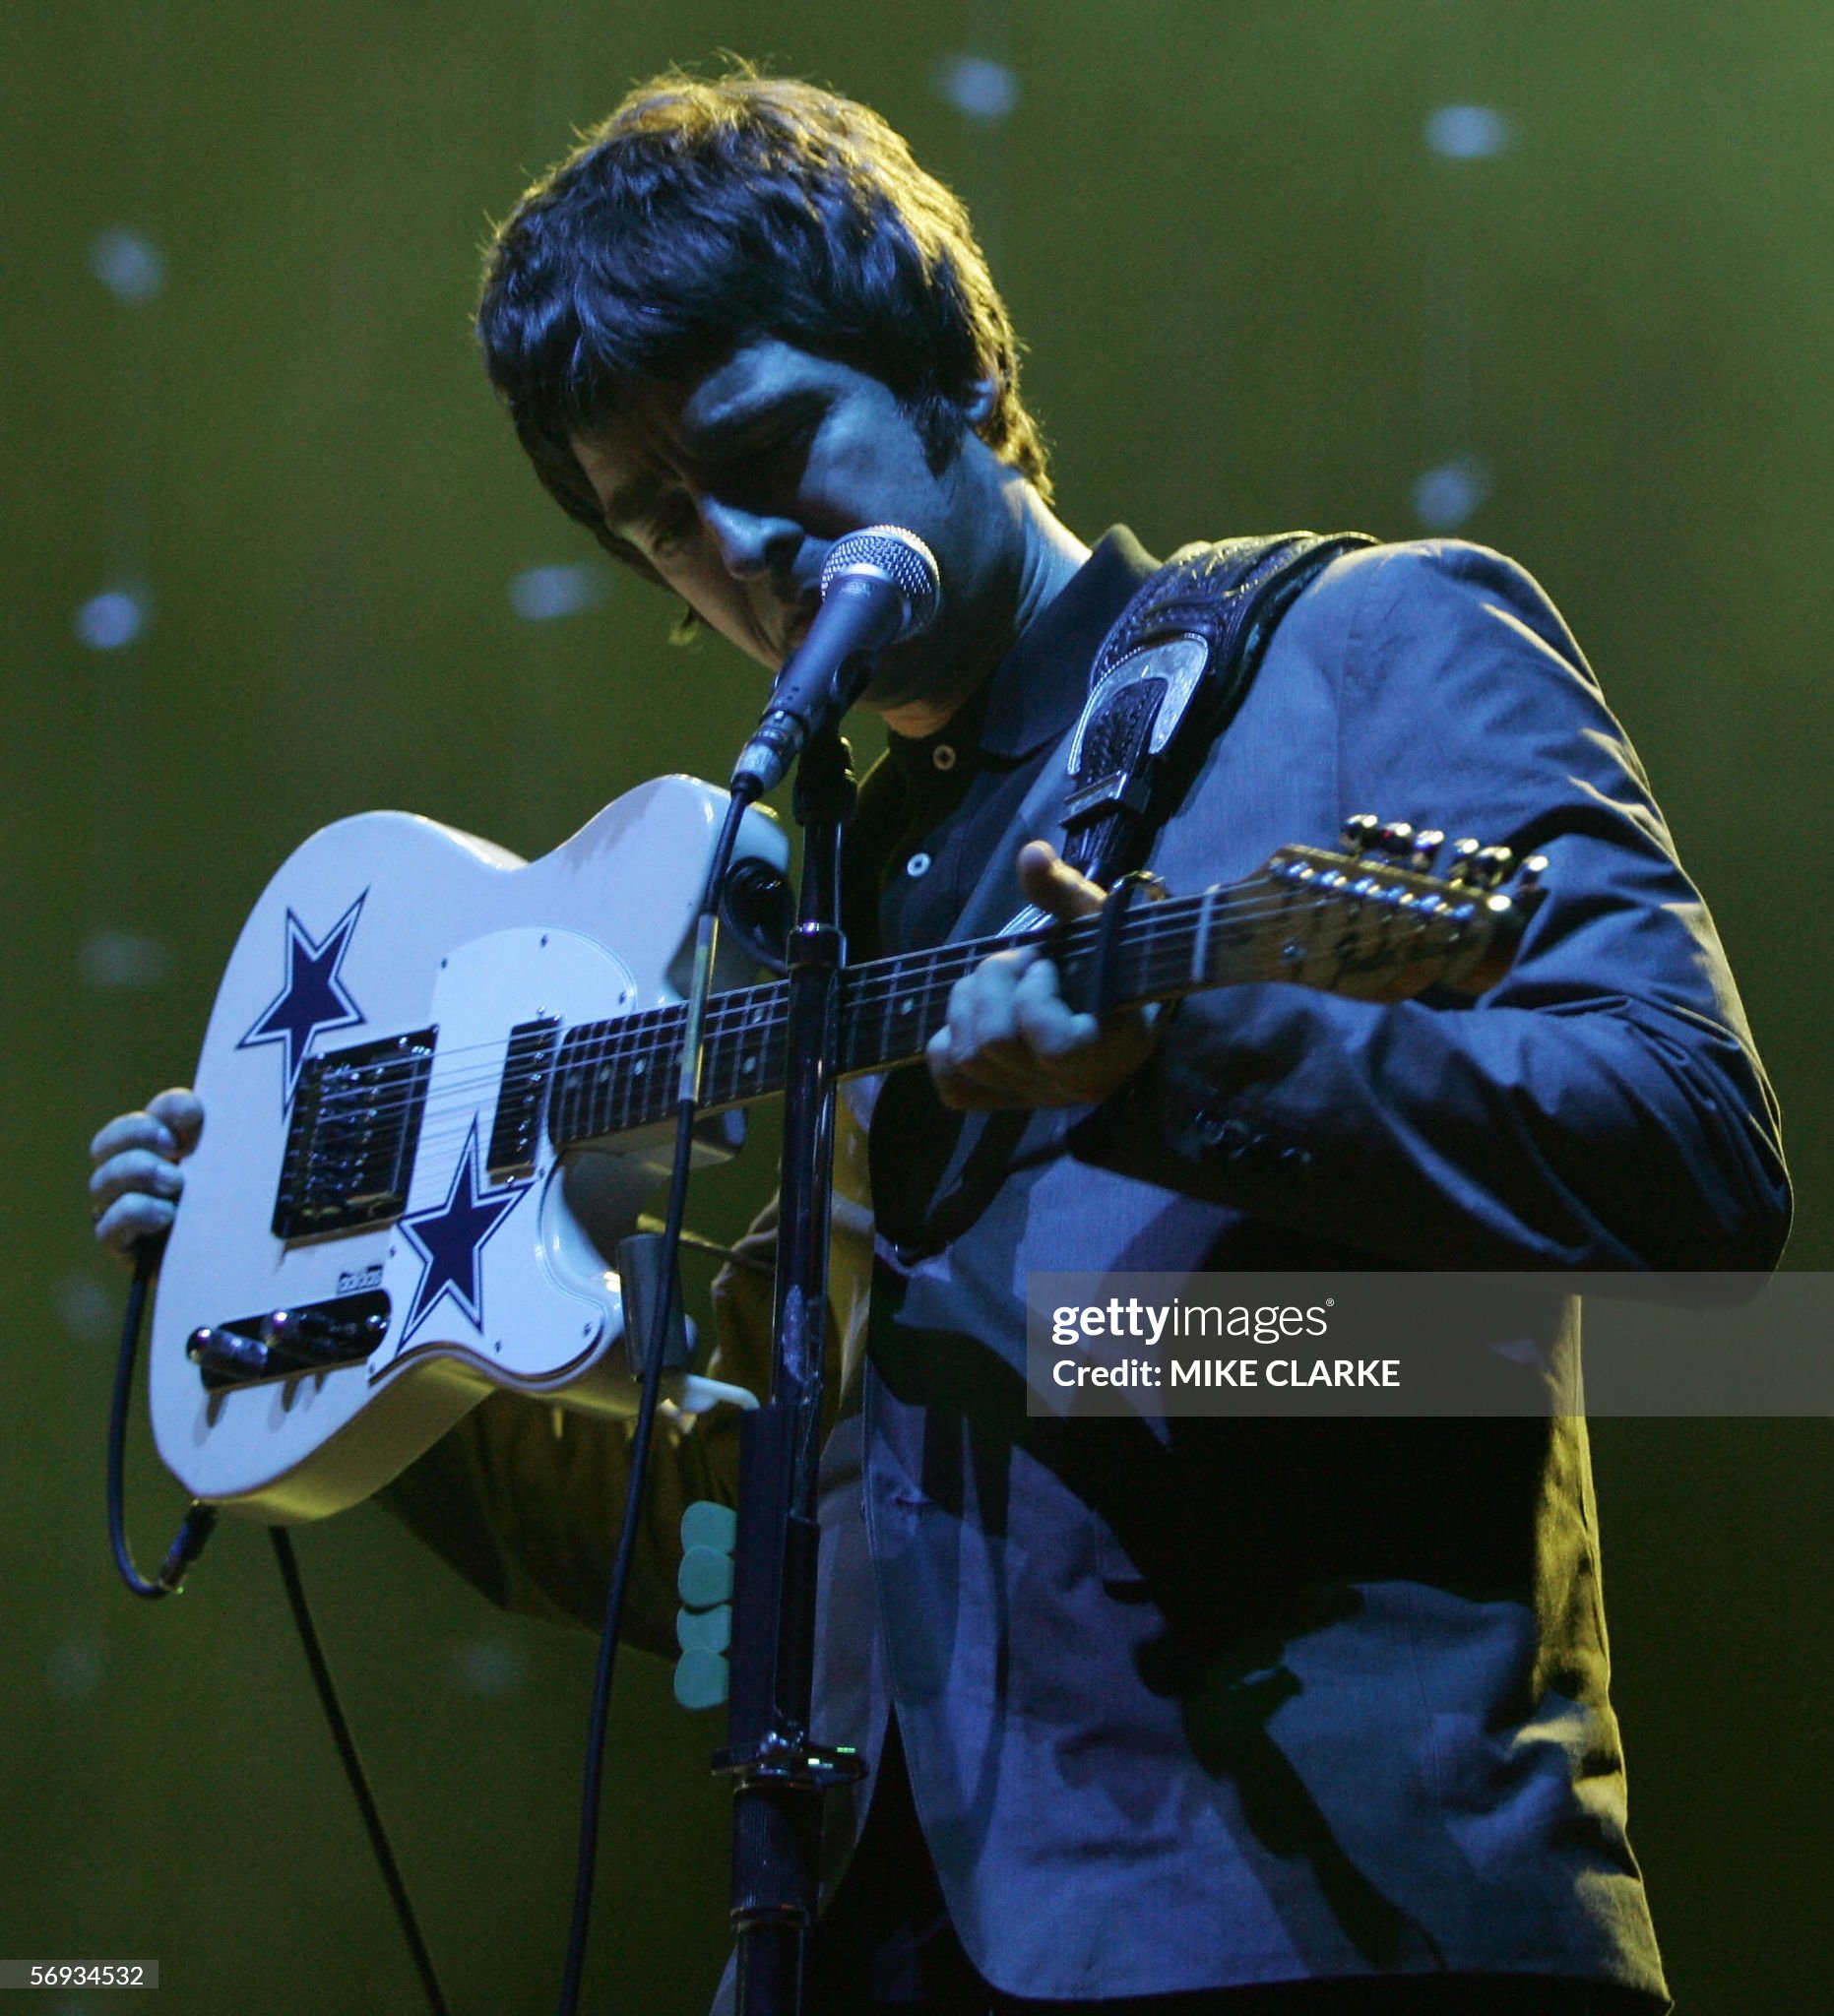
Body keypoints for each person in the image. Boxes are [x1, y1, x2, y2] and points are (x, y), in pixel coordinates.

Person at [90, 70, 1790, 2016]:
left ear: (955, 373)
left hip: (1328, 1926)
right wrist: (322, 1337)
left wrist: (1177, 1066)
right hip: (859, 1947)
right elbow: (724, 1519)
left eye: (762, 445)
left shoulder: (1361, 649)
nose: (738, 543)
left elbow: (1695, 1161)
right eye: (659, 523)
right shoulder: (832, 903)